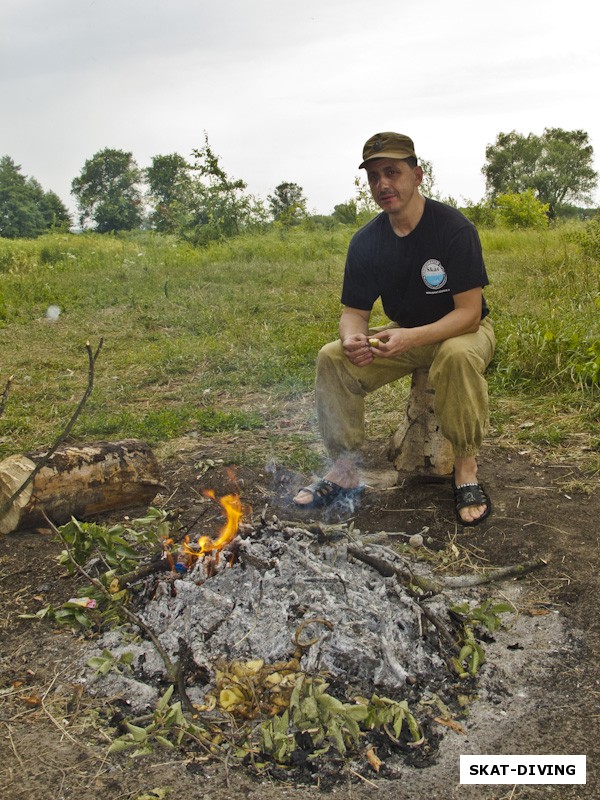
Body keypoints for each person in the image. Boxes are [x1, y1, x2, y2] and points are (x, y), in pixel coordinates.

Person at [293, 132, 495, 526]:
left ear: (418, 175)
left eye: (392, 172)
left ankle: (466, 468)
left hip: (463, 331)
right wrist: (352, 337)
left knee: (454, 355)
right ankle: (344, 469)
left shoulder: (454, 229)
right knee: (332, 357)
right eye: (373, 177)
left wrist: (412, 336)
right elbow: (354, 311)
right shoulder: (366, 242)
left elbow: (469, 313)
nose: (383, 184)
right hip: (406, 332)